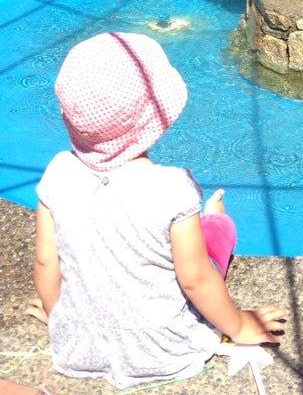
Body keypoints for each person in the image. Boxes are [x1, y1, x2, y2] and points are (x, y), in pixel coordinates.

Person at [34, 32, 287, 388]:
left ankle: (211, 216)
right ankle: (216, 214)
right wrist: (240, 325)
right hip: (162, 349)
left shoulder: (57, 173)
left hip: (80, 347)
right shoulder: (172, 188)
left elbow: (47, 262)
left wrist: (61, 317)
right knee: (215, 233)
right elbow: (196, 279)